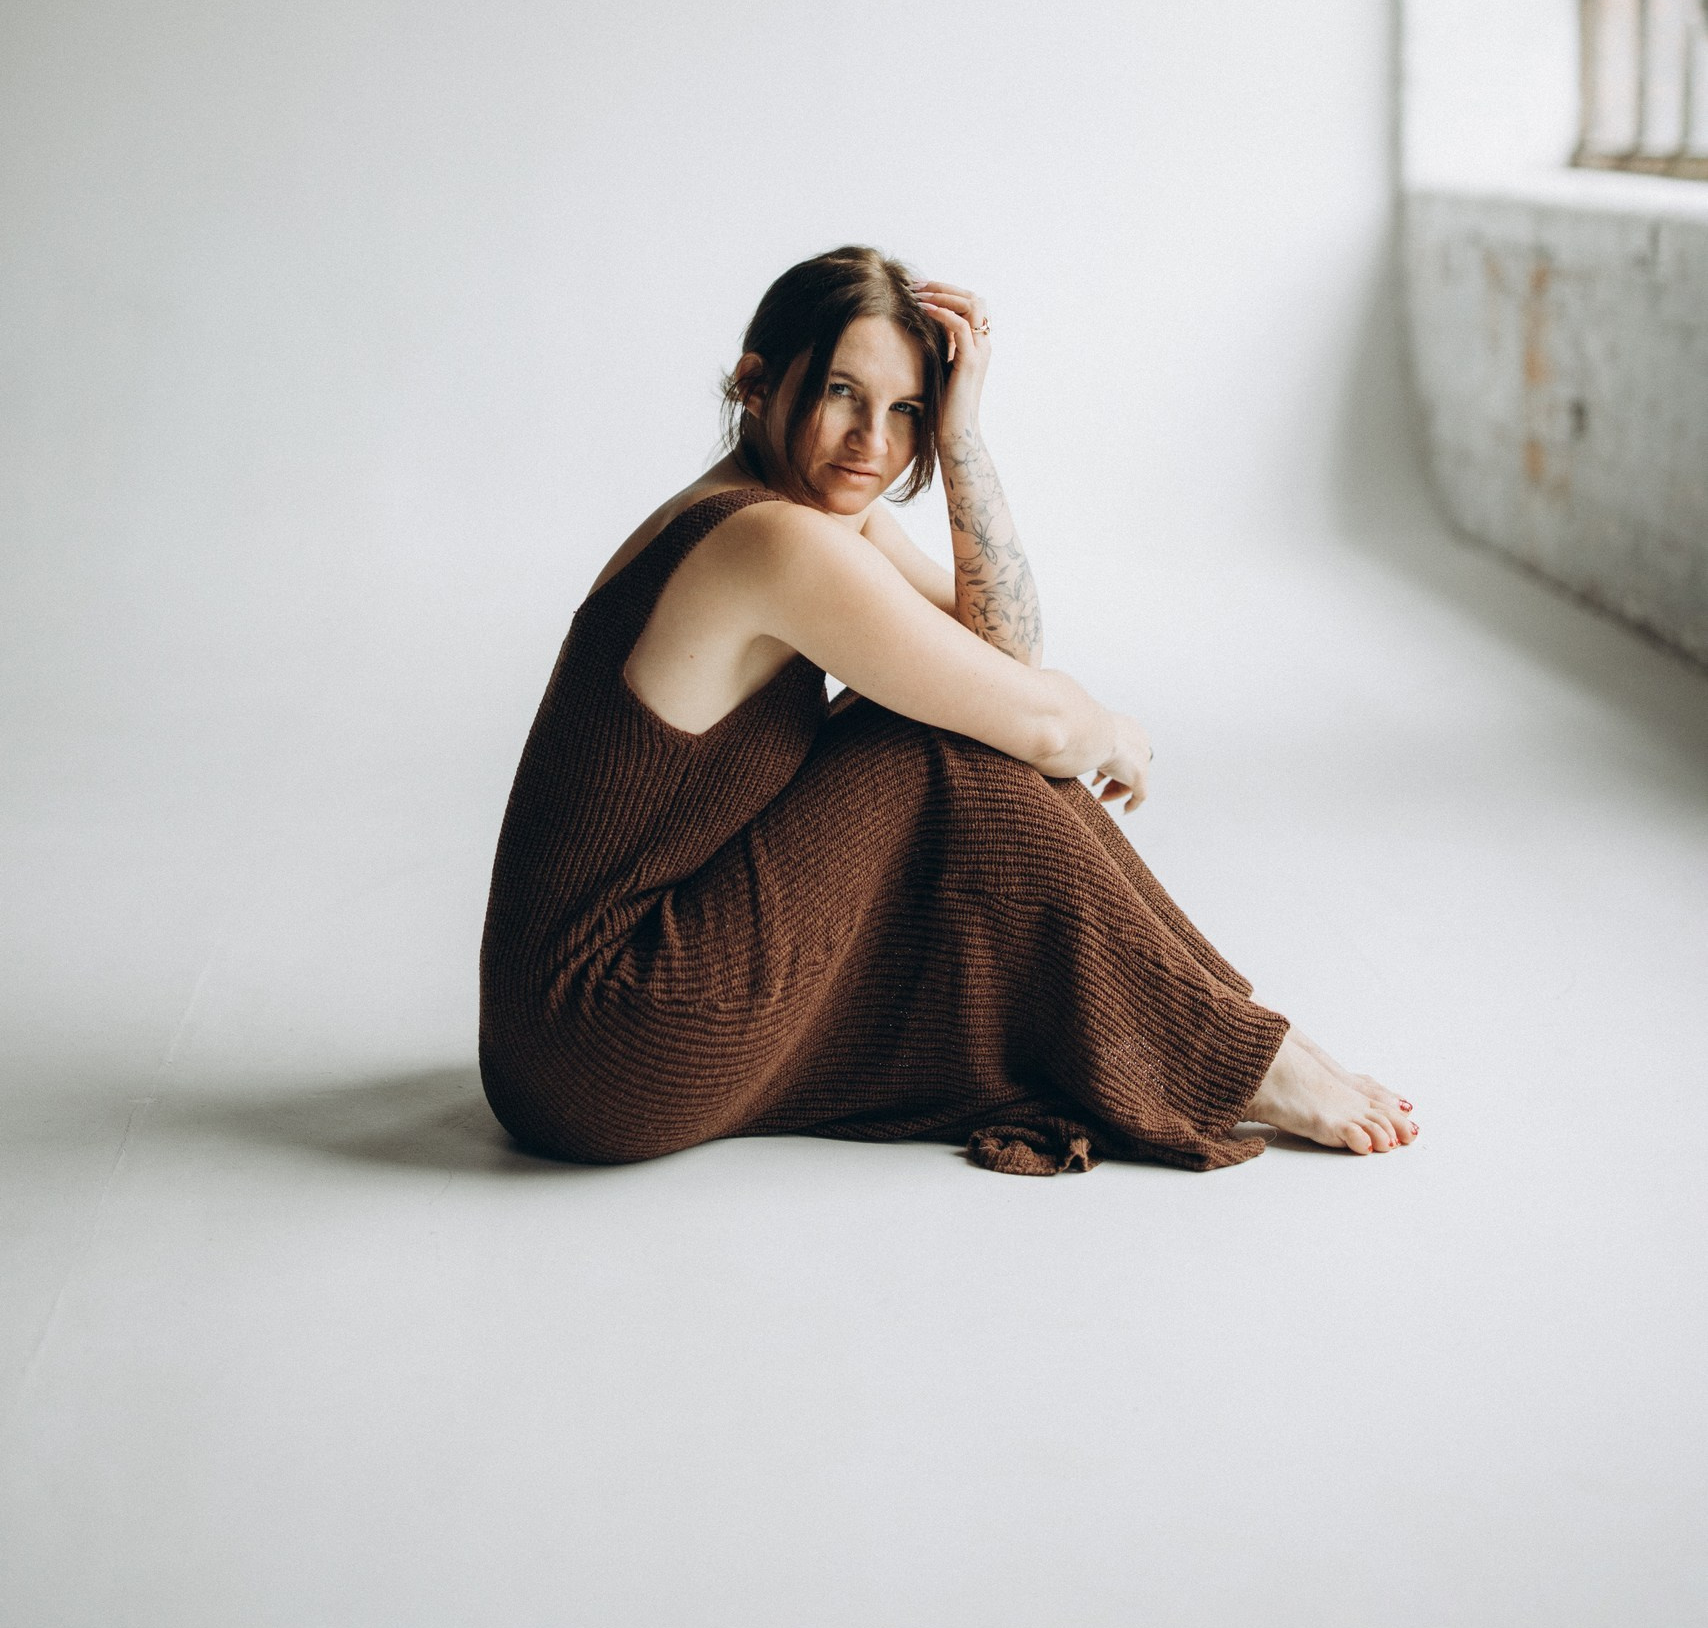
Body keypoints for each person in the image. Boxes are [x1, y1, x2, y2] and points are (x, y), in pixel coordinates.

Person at [480, 246, 1417, 1175]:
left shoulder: (809, 513)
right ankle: (1240, 1054)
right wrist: (1113, 732)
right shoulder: (768, 542)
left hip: (564, 1050)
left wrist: (963, 435)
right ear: (754, 384)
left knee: (946, 718)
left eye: (906, 411)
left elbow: (1002, 653)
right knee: (928, 746)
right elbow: (1040, 723)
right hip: (609, 1038)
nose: (873, 442)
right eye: (842, 393)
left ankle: (1238, 1033)